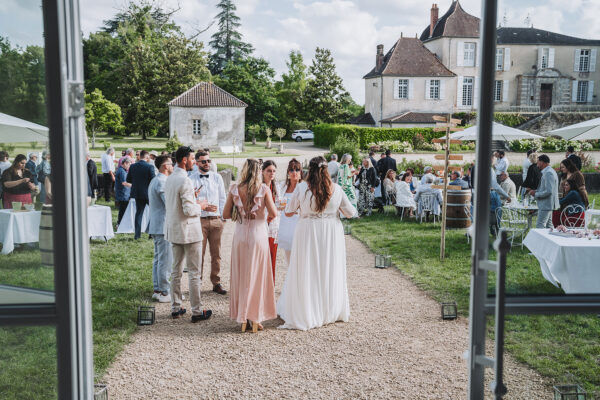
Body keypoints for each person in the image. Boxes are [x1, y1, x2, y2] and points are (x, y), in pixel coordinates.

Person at [277, 156, 356, 331]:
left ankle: (308, 310)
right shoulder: (336, 189)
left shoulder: (302, 187)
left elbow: (289, 211)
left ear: (309, 170)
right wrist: (335, 208)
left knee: (308, 269)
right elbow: (351, 212)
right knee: (329, 268)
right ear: (327, 170)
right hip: (331, 232)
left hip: (308, 230)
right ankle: (329, 310)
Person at [223, 158, 277, 333]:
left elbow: (225, 214)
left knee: (241, 276)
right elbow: (274, 213)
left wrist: (239, 212)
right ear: (258, 171)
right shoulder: (264, 189)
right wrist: (263, 217)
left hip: (240, 235)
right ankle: (255, 318)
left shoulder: (234, 189)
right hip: (258, 235)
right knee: (257, 276)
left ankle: (243, 317)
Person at [164, 146, 212, 322]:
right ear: (184, 160)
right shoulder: (185, 180)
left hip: (174, 230)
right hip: (189, 231)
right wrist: (201, 206)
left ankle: (175, 307)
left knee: (176, 271)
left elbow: (175, 203)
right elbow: (188, 209)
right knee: (193, 272)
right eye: (192, 158)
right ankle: (197, 311)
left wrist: (193, 196)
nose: (194, 161)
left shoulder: (170, 178)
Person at [189, 150, 227, 295]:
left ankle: (216, 282)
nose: (207, 164)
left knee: (216, 254)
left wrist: (223, 218)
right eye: (203, 161)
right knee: (199, 254)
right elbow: (190, 200)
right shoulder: (191, 179)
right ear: (197, 163)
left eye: (208, 161)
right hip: (200, 221)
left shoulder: (217, 177)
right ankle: (197, 283)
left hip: (216, 220)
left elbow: (223, 198)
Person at [147, 155, 174, 303]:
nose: (172, 166)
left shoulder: (155, 180)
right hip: (163, 225)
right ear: (165, 166)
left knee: (158, 259)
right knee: (165, 260)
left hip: (157, 224)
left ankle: (157, 288)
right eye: (171, 164)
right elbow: (168, 204)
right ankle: (164, 291)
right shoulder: (162, 182)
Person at [126, 150, 156, 239]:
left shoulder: (133, 166)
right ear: (147, 158)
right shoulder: (150, 167)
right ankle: (151, 233)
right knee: (153, 212)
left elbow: (128, 180)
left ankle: (137, 235)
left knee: (139, 213)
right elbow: (153, 181)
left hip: (137, 193)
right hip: (148, 193)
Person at [278, 158, 303, 264]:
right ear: (288, 172)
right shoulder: (282, 186)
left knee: (299, 254)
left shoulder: (303, 187)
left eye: (297, 170)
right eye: (292, 170)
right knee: (288, 255)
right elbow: (276, 202)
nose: (294, 173)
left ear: (300, 172)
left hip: (298, 221)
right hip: (284, 221)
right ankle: (290, 276)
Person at [262, 160, 282, 281]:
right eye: (269, 171)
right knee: (261, 256)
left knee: (272, 256)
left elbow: (278, 205)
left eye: (274, 171)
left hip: (274, 225)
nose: (271, 173)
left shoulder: (277, 186)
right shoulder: (258, 186)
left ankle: (271, 283)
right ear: (263, 171)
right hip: (262, 223)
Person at [528, 154, 559, 228]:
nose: (537, 163)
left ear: (542, 162)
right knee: (549, 226)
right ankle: (551, 239)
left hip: (546, 204)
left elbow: (549, 191)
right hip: (547, 204)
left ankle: (540, 240)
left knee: (540, 225)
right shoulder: (549, 171)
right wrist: (535, 191)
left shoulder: (549, 173)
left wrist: (536, 194)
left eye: (538, 161)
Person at [115, 157, 132, 226]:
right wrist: (133, 186)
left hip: (124, 194)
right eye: (129, 165)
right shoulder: (122, 171)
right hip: (123, 194)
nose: (129, 167)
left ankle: (121, 223)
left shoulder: (121, 170)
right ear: (125, 163)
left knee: (123, 209)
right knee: (123, 210)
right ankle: (119, 223)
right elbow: (124, 183)